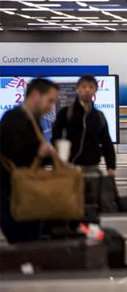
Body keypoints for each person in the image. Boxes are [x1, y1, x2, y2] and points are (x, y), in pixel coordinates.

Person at [0, 78, 58, 243]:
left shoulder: (33, 120)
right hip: (15, 199)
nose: (51, 106)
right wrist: (41, 154)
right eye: (50, 100)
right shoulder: (14, 119)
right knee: (23, 244)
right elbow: (16, 157)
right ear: (35, 95)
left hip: (27, 197)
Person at [52, 75, 116, 176]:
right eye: (84, 87)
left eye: (91, 87)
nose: (87, 90)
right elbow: (56, 138)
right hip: (70, 168)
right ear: (77, 89)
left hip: (93, 167)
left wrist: (111, 166)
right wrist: (58, 164)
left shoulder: (99, 116)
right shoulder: (65, 113)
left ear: (95, 90)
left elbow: (106, 141)